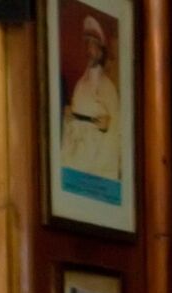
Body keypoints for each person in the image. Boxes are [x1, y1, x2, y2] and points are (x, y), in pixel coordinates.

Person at [59, 13, 122, 184]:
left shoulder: (107, 86)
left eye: (94, 46)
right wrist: (69, 117)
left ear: (101, 51)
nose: (90, 50)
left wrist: (106, 125)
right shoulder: (81, 83)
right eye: (88, 45)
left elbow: (115, 126)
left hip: (97, 157)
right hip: (77, 151)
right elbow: (75, 113)